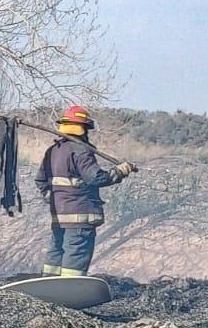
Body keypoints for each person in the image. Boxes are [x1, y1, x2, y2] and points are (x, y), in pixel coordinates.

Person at [35, 105, 135, 277]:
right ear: (84, 128)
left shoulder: (53, 150)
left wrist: (56, 199)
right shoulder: (81, 151)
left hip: (59, 216)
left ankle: (47, 284)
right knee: (76, 254)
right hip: (80, 216)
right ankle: (70, 290)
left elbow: (40, 180)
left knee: (56, 251)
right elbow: (95, 178)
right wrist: (120, 172)